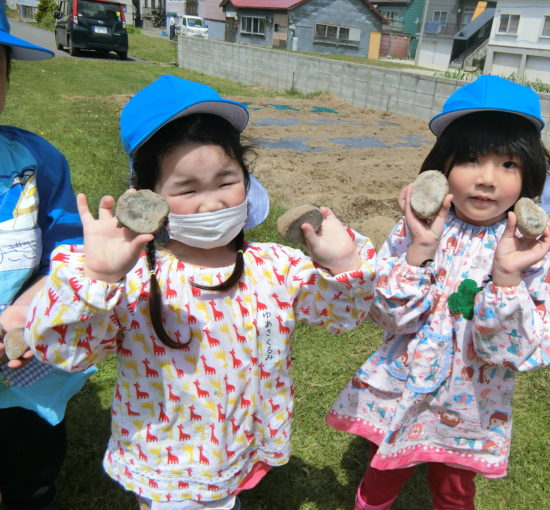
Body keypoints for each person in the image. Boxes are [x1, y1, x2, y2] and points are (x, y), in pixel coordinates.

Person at [25, 74, 376, 510]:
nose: (212, 204)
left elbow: (340, 315)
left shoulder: (274, 266)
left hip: (237, 441)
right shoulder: (133, 278)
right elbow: (64, 351)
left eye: (226, 181)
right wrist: (97, 278)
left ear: (247, 182)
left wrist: (344, 264)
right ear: (150, 198)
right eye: (187, 189)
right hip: (168, 459)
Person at [326, 75, 550, 510]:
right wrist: (421, 247)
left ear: (529, 174)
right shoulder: (420, 227)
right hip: (406, 384)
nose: (487, 179)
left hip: (472, 399)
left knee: (455, 488)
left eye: (508, 164)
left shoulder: (532, 248)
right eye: (471, 159)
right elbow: (389, 315)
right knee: (383, 472)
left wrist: (507, 275)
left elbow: (515, 351)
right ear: (442, 166)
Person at [0, 6, 93, 510]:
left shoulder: (35, 163)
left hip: (21, 360)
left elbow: (69, 248)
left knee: (30, 466)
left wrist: (25, 308)